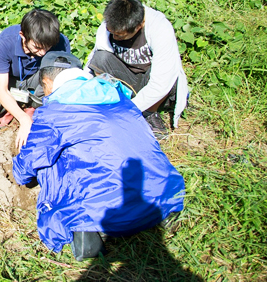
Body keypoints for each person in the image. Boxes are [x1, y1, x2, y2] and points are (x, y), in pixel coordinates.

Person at [13, 60, 185, 260]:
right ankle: (160, 216)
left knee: (51, 161)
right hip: (163, 193)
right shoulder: (120, 98)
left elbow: (33, 158)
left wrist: (18, 173)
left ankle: (85, 231)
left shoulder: (56, 112)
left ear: (48, 83)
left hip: (101, 212)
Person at [0, 8, 71, 150]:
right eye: (37, 47)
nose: (43, 53)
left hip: (38, 80)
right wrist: (24, 120)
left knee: (55, 79)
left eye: (47, 48)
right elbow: (1, 89)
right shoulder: (5, 42)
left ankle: (31, 107)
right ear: (23, 36)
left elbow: (57, 80)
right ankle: (10, 110)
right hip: (10, 79)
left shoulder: (60, 42)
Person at [85, 0, 189, 139]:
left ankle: (150, 115)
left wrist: (126, 111)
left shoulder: (159, 28)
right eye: (111, 32)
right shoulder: (109, 26)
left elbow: (161, 84)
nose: (114, 38)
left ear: (139, 26)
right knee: (100, 58)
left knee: (169, 75)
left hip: (156, 87)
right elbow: (93, 62)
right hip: (128, 82)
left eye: (120, 35)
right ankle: (113, 102)